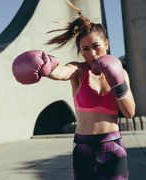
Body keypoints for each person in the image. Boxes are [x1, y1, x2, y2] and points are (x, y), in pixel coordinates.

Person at [12, 1, 135, 180]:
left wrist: (118, 82)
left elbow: (130, 112)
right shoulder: (79, 71)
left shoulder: (121, 73)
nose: (92, 53)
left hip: (112, 144)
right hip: (83, 147)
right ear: (80, 52)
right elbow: (62, 72)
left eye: (96, 46)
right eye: (85, 49)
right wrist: (48, 66)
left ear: (106, 43)